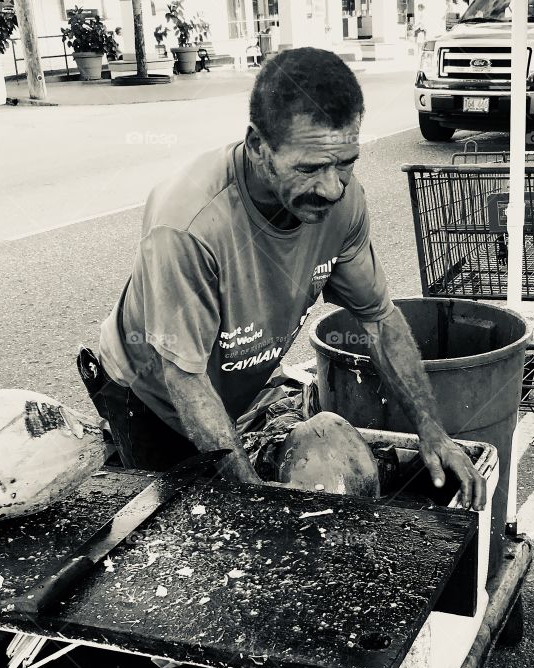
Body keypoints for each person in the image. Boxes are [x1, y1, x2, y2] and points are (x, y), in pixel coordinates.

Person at [85, 47, 486, 510]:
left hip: (226, 384)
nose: (333, 188)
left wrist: (431, 432)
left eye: (346, 162)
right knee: (178, 531)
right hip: (152, 395)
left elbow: (379, 320)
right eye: (310, 168)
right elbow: (185, 380)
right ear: (258, 146)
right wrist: (256, 502)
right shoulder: (188, 226)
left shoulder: (342, 200)